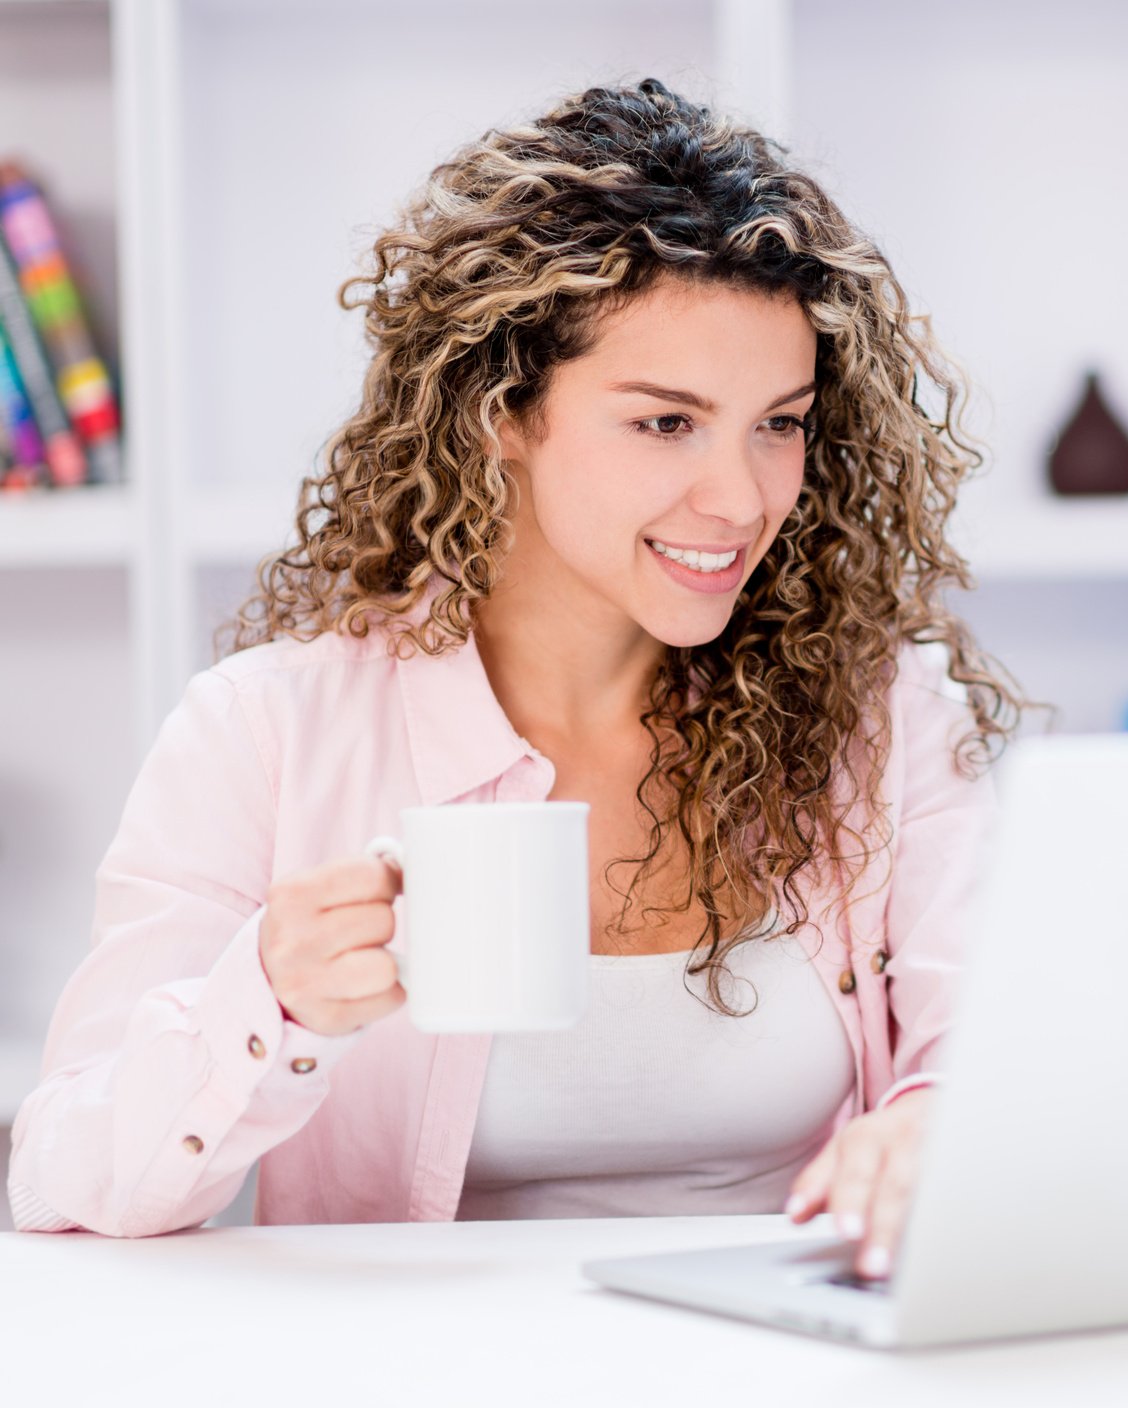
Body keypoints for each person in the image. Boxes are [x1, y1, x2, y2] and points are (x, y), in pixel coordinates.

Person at [6, 79, 1032, 1283]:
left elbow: (994, 1060)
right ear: (503, 412)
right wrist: (267, 1003)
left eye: (780, 423)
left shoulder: (884, 716)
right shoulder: (268, 731)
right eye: (665, 423)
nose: (743, 497)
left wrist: (945, 1128)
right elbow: (58, 1176)